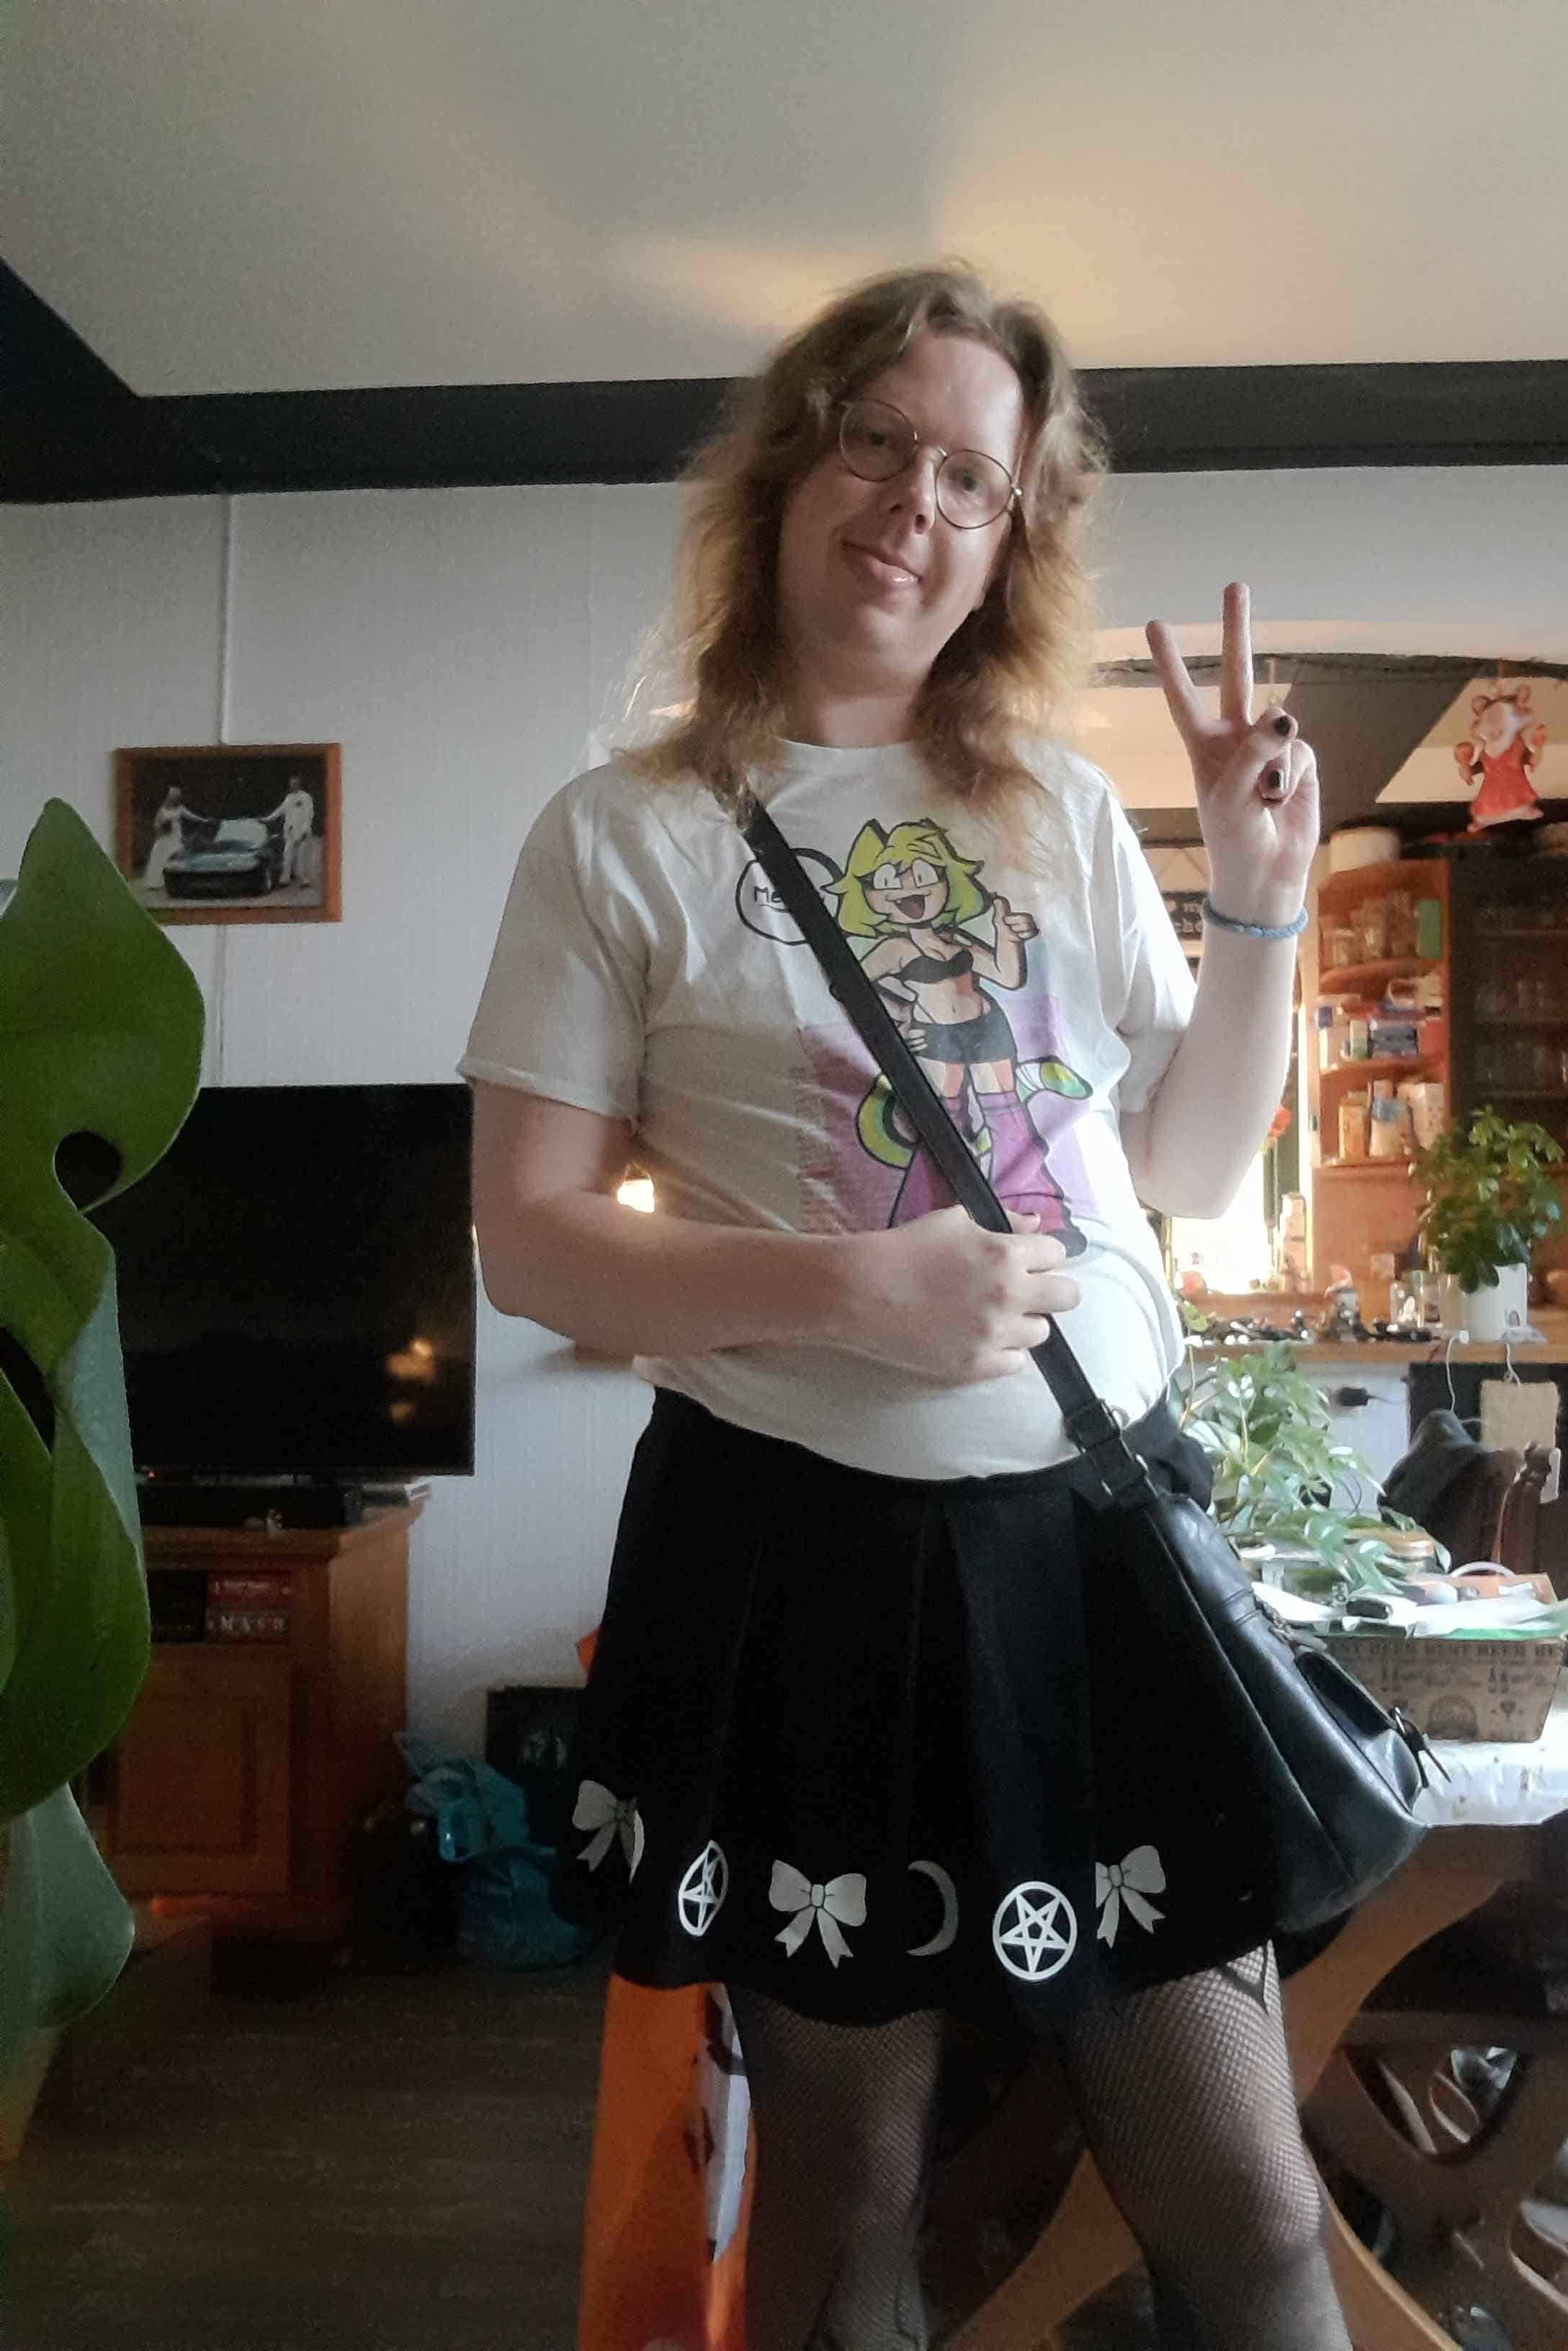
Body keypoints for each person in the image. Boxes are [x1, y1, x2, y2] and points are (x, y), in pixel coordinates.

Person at [462, 264, 1335, 2351]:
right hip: (808, 1574)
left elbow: (1188, 1168)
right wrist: (857, 1287)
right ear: (790, 463)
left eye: (970, 477)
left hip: (1100, 1564)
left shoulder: (1052, 808)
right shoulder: (620, 835)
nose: (914, 505)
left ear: (1006, 535)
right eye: (877, 440)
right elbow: (530, 1240)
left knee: (1250, 2207)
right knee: (850, 2199)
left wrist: (1258, 908)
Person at [264, 775, 315, 887]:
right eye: (291, 784)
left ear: (299, 784)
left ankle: (305, 880)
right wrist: (267, 819)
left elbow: (309, 815)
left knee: (302, 857)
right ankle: (285, 879)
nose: (292, 786)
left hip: (302, 832)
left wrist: (305, 831)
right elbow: (279, 811)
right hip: (290, 832)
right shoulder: (289, 798)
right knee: (287, 856)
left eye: (295, 784)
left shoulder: (306, 797)